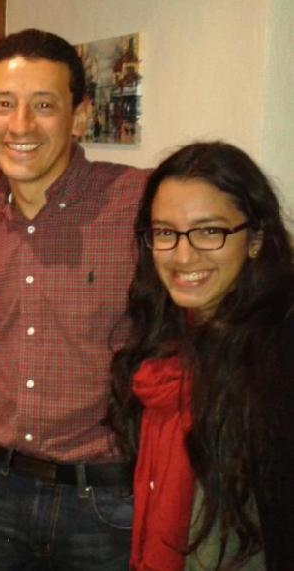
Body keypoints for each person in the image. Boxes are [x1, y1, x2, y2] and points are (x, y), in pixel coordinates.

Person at [0, 28, 149, 570]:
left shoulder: (138, 204)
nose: (20, 126)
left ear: (79, 117)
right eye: (4, 105)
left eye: (43, 105)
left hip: (107, 499)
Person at [109, 142, 294, 570]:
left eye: (210, 231)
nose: (183, 255)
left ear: (255, 239)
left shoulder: (277, 360)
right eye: (165, 232)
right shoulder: (166, 340)